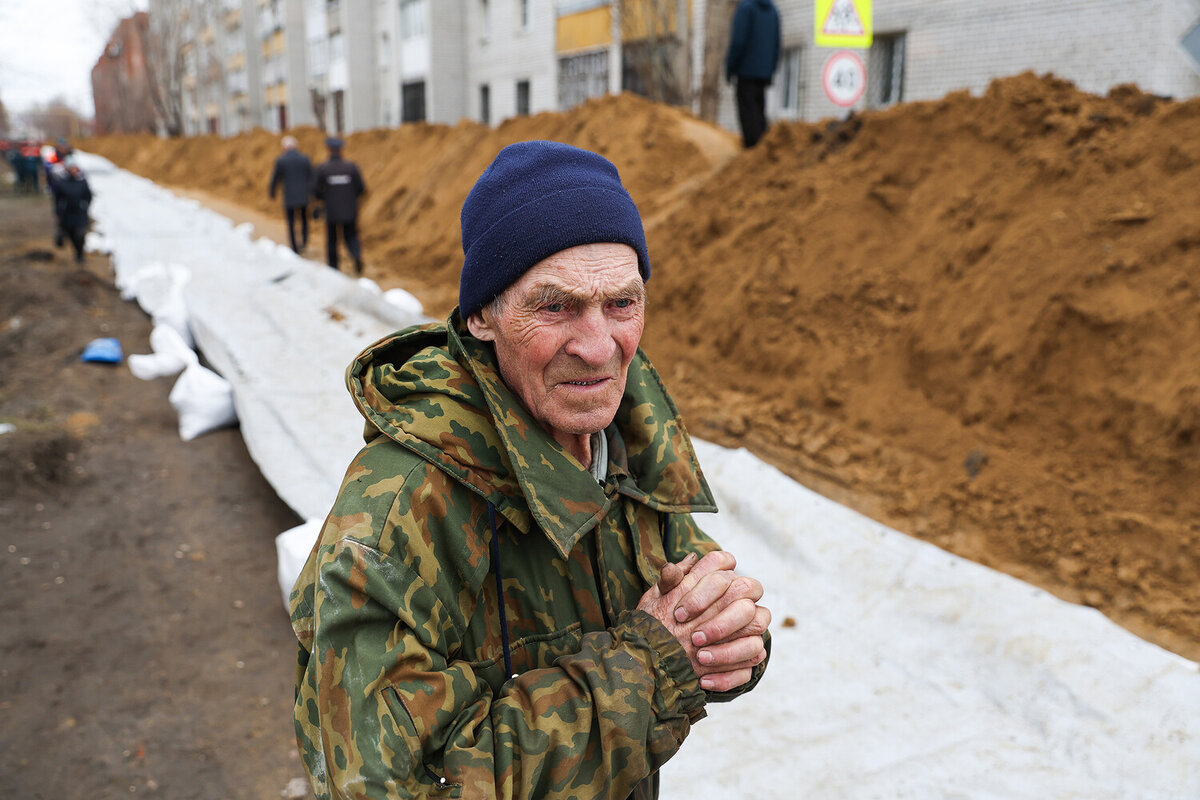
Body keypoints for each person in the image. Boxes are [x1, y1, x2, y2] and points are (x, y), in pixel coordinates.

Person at [289, 141, 771, 800]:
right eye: (556, 307)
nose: (600, 347)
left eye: (622, 304)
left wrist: (726, 638)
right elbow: (385, 789)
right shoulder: (399, 509)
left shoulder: (625, 433)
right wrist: (654, 669)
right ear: (483, 316)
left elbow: (687, 606)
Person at [725, 0, 782, 148]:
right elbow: (777, 44)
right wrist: (771, 71)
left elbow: (738, 42)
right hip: (764, 74)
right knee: (759, 112)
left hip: (745, 71)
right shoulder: (773, 11)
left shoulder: (746, 8)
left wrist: (730, 67)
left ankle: (753, 152)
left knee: (748, 115)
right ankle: (762, 149)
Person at [311, 136, 366, 274]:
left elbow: (315, 190)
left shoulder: (323, 168)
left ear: (328, 150)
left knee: (332, 240)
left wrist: (325, 198)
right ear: (341, 150)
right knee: (351, 236)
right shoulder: (351, 167)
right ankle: (356, 255)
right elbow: (361, 188)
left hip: (332, 211)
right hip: (350, 210)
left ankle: (334, 268)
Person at [268, 135, 313, 254]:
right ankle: (304, 241)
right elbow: (312, 176)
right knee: (304, 219)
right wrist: (312, 193)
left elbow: (275, 178)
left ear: (284, 147)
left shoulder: (281, 160)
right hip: (303, 195)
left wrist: (272, 193)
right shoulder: (305, 159)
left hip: (289, 197)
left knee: (291, 221)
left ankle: (294, 246)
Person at [53, 161, 92, 264]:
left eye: (75, 168)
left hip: (79, 213)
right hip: (67, 213)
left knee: (80, 234)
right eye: (71, 168)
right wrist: (58, 210)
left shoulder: (82, 182)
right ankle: (76, 251)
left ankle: (80, 254)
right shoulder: (62, 182)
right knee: (71, 234)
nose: (73, 170)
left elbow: (88, 196)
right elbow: (57, 198)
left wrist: (84, 206)